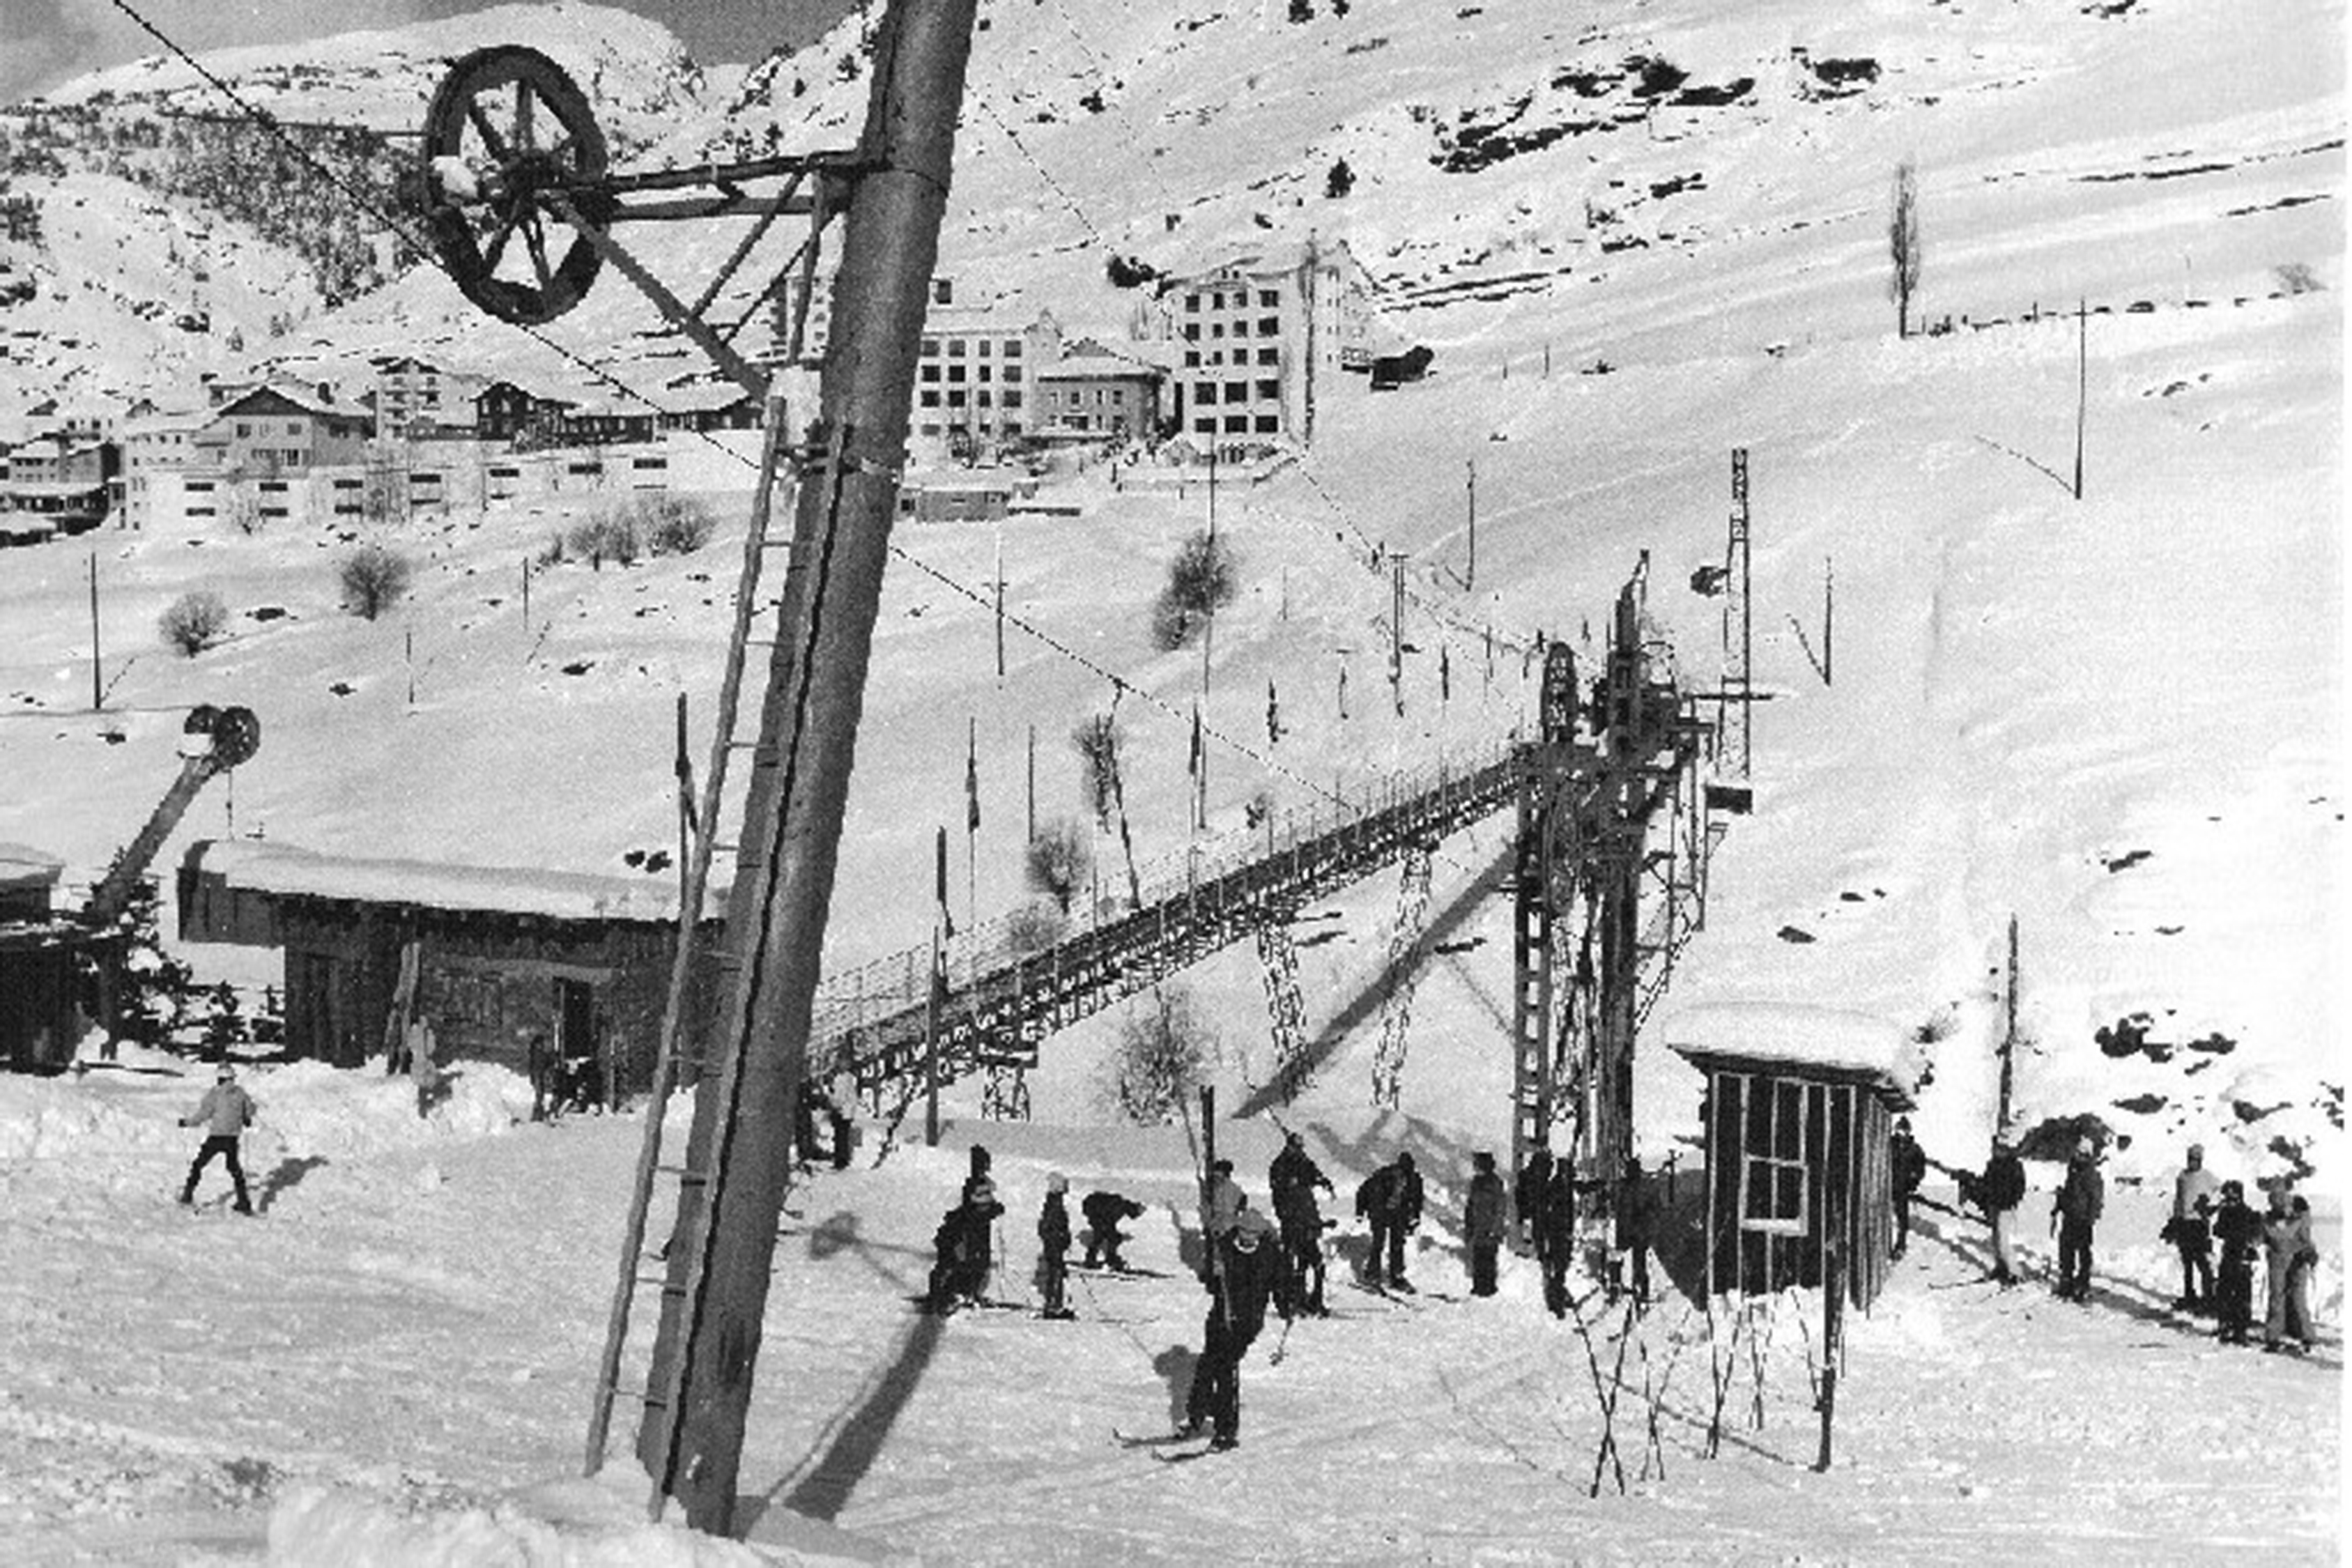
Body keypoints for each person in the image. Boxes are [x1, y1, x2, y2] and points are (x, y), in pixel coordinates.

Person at [1183, 1207, 1289, 1450]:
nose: (1247, 1237)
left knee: (1225, 1368)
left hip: (1247, 1321)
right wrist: (1213, 1274)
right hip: (1221, 1315)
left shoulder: (1270, 1254)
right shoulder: (1224, 1247)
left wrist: (1287, 1305)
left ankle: (1226, 1431)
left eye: (1253, 1233)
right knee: (1206, 1364)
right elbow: (1210, 1284)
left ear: (1261, 1234)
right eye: (1243, 1231)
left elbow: (1280, 1284)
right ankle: (1196, 1416)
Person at [178, 1061, 256, 1214]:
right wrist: (246, 1118)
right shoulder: (241, 1093)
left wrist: (187, 1122)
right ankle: (244, 1202)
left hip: (216, 1137)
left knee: (198, 1165)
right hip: (232, 1138)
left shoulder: (214, 1094)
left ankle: (187, 1196)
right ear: (232, 1078)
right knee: (234, 1169)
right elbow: (250, 1110)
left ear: (219, 1079)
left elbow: (203, 1114)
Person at [1269, 1131, 1334, 1315]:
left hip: (1308, 1221)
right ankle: (1294, 1300)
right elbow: (1281, 1190)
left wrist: (1322, 1181)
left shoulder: (1304, 1162)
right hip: (1291, 1222)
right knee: (1293, 1264)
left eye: (1300, 1147)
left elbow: (1313, 1174)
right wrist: (1287, 1216)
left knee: (1316, 1264)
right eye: (1296, 1147)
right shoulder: (1280, 1165)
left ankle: (1314, 1301)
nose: (1298, 1150)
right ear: (1289, 1146)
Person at [925, 1172, 1005, 1313]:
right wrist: (955, 1249)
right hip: (955, 1254)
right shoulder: (961, 1219)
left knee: (978, 1267)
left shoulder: (979, 1214)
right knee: (956, 1269)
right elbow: (944, 1240)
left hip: (972, 1254)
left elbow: (988, 1212)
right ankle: (951, 1296)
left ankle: (969, 1294)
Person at [1356, 1151, 1425, 1291]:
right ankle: (1372, 1274)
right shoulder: (1384, 1175)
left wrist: (1415, 1219)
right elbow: (1364, 1191)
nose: (1404, 1175)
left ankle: (1397, 1276)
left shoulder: (1415, 1179)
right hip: (1379, 1211)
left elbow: (1417, 1200)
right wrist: (1360, 1212)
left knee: (1398, 1243)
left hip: (1398, 1213)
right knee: (1379, 1241)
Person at [2261, 1185, 2318, 1353]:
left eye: (2283, 1202)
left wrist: (2309, 1252)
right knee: (2278, 1296)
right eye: (2275, 1202)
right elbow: (2263, 1236)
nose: (2281, 1207)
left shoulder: (2297, 1217)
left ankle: (2302, 1332)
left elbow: (2305, 1238)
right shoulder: (2269, 1219)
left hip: (2295, 1260)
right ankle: (2277, 1333)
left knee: (2293, 1296)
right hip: (2279, 1260)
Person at [2166, 1143, 2220, 1310]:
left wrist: (2209, 1206)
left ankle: (2209, 1296)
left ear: (2201, 1160)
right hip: (2184, 1223)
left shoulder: (2208, 1177)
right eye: (2190, 1159)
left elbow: (2220, 1192)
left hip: (2199, 1224)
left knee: (2202, 1260)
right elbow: (2178, 1198)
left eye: (2196, 1159)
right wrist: (2175, 1219)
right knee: (2187, 1261)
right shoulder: (2182, 1176)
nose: (2192, 1162)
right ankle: (2189, 1294)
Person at [2210, 1179, 2262, 1345]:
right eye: (2227, 1197)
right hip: (2231, 1256)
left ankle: (2238, 1328)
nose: (2229, 1200)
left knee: (2239, 1293)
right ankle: (2230, 1325)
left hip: (2240, 1256)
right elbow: (2218, 1231)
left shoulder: (2245, 1213)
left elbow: (2220, 1231)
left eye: (2232, 1197)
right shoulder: (2229, 1212)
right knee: (2227, 1292)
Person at [2052, 1137, 2104, 1302]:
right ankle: (2067, 1279)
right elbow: (2070, 1192)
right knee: (2066, 1249)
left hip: (2083, 1218)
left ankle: (2083, 1282)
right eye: (2077, 1153)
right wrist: (2060, 1201)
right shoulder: (2073, 1170)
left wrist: (2091, 1218)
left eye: (2082, 1154)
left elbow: (2096, 1198)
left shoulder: (2091, 1174)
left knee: (2083, 1252)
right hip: (2070, 1215)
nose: (2078, 1156)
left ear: (2088, 1155)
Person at [1978, 1135, 2027, 1287]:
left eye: (1998, 1148)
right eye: (1994, 1148)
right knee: (1995, 1239)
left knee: (2003, 1240)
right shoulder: (1992, 1164)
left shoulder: (2014, 1165)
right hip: (1994, 1204)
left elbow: (2020, 1186)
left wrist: (2012, 1200)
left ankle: (2015, 1272)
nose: (1995, 1150)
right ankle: (2001, 1267)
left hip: (2006, 1207)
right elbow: (1987, 1183)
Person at [1539, 1156, 1581, 1314]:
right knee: (1559, 1266)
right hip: (1558, 1233)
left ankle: (1558, 1294)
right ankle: (1556, 1301)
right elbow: (1552, 1211)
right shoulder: (1557, 1186)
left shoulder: (1563, 1184)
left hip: (1562, 1232)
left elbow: (1582, 1188)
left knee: (1561, 1267)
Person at [1464, 1151, 1509, 1298]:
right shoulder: (1475, 1182)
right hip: (1478, 1226)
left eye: (1477, 1164)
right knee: (1478, 1257)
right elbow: (1470, 1205)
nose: (1475, 1167)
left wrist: (1496, 1228)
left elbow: (1500, 1208)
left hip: (1490, 1227)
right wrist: (1469, 1225)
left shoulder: (1495, 1183)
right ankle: (1478, 1286)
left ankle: (1489, 1288)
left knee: (1488, 1258)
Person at [1613, 1154, 1657, 1306]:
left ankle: (1640, 1289)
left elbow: (1651, 1209)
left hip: (1635, 1230)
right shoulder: (1631, 1187)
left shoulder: (1633, 1187)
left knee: (1636, 1262)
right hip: (1632, 1230)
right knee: (1633, 1261)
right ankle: (1633, 1288)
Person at [1889, 1117, 1927, 1259]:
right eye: (1898, 1130)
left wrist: (1914, 1180)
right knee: (1887, 1217)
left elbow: (1920, 1168)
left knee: (1902, 1219)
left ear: (1908, 1131)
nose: (1901, 1133)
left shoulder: (1915, 1149)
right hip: (1887, 1185)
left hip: (1903, 1188)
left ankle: (1900, 1246)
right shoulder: (1889, 1145)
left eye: (1904, 1130)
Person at [1038, 1172, 1075, 1319]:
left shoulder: (1053, 1202)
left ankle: (1054, 1304)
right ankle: (1054, 1306)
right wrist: (1060, 1238)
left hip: (1054, 1244)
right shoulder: (1055, 1204)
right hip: (1054, 1245)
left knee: (1057, 1273)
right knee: (1056, 1273)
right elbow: (1049, 1227)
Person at [1082, 1190, 1146, 1270]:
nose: (1137, 1216)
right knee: (1107, 1237)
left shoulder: (1121, 1204)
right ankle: (1105, 1259)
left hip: (1096, 1213)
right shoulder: (1121, 1207)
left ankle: (1098, 1258)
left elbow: (1109, 1220)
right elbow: (1108, 1219)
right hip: (1096, 1214)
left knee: (1107, 1237)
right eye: (1138, 1214)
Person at [1516, 1145, 1554, 1262]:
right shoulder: (1540, 1176)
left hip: (1531, 1210)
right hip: (1538, 1209)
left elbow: (1520, 1193)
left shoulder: (1526, 1174)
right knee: (1539, 1234)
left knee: (1534, 1233)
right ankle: (1539, 1254)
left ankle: (1534, 1252)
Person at [407, 1013, 442, 1119]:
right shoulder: (422, 1032)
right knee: (425, 1082)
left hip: (421, 1060)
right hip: (422, 1060)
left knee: (425, 1082)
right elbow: (431, 1047)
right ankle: (425, 1106)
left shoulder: (417, 1031)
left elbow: (411, 1043)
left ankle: (425, 1104)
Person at [826, 1059, 859, 1171]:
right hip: (846, 1111)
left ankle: (841, 1160)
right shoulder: (846, 1078)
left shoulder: (844, 1079)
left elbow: (840, 1097)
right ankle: (841, 1158)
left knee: (841, 1136)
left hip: (842, 1111)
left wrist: (833, 1101)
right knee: (841, 1135)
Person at [1201, 1158, 1245, 1243]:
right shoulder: (1235, 1188)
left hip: (1218, 1225)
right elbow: (1242, 1205)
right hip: (1228, 1226)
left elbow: (1207, 1207)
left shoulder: (1212, 1185)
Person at [523, 1027, 557, 1123]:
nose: (542, 1045)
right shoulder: (537, 1053)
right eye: (541, 1043)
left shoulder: (535, 1053)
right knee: (539, 1095)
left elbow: (544, 1062)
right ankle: (538, 1115)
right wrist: (552, 1057)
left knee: (540, 1095)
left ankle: (538, 1114)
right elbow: (544, 1062)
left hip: (538, 1075)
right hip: (538, 1075)